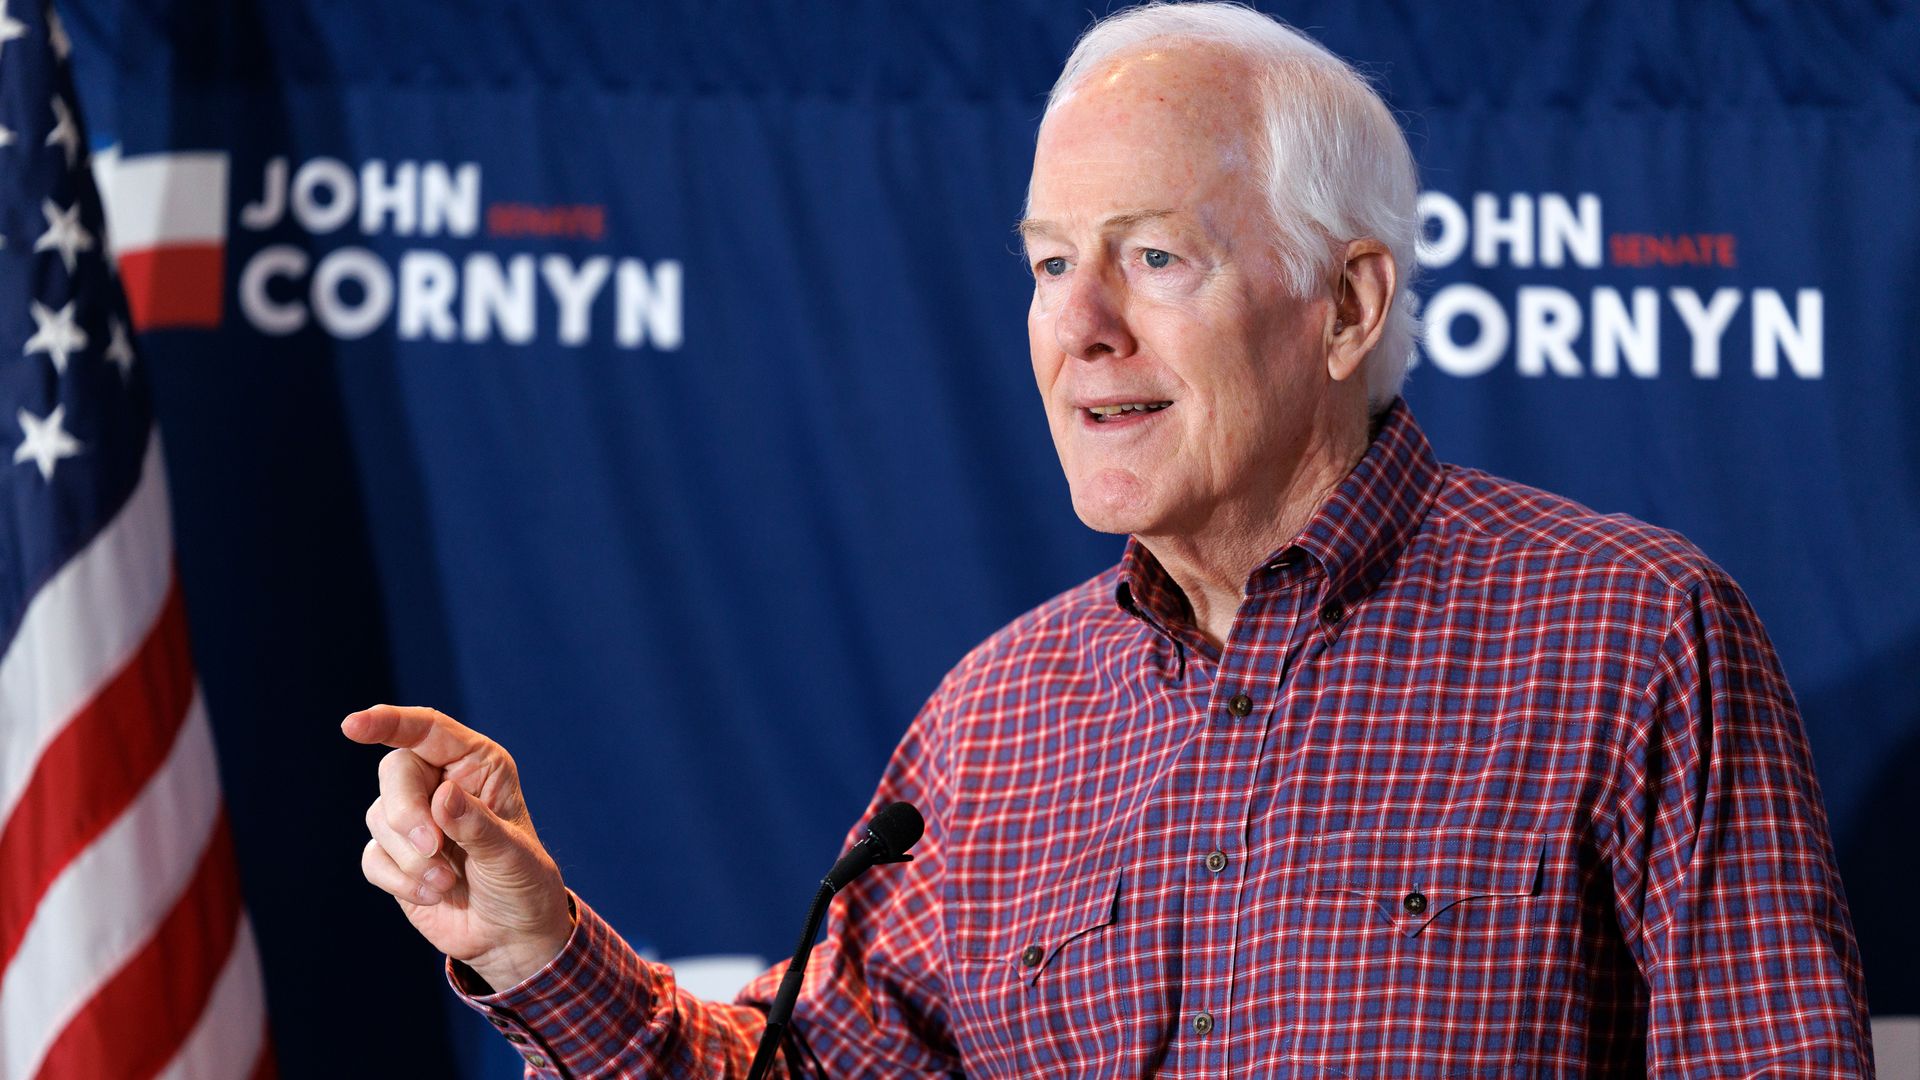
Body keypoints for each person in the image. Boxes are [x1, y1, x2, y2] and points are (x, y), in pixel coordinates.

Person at [344, 4, 1872, 1075]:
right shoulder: (997, 724)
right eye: (1049, 261)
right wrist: (539, 950)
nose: (1078, 327)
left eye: (1153, 256)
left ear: (1346, 307)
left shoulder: (1630, 637)